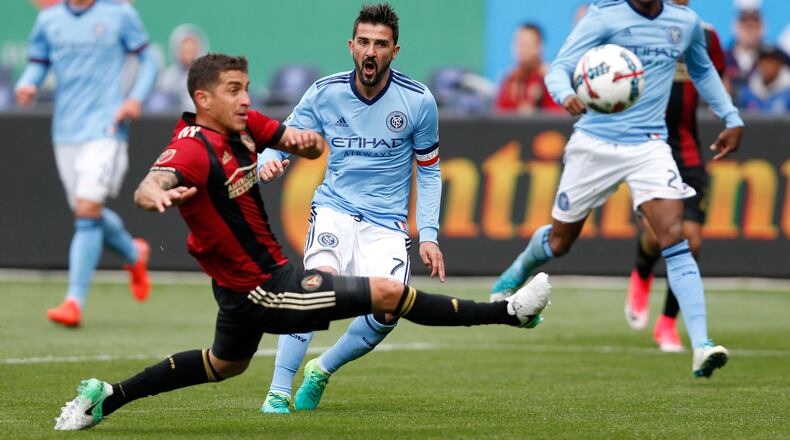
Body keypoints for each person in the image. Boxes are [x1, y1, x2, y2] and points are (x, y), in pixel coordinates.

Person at [52, 53, 552, 431]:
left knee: (223, 364)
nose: (245, 99)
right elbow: (153, 180)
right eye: (233, 90)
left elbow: (292, 136)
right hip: (263, 288)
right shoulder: (193, 149)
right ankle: (509, 313)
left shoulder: (244, 127)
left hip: (242, 286)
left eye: (247, 88)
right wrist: (154, 195)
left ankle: (107, 396)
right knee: (389, 294)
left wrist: (299, 146)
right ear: (203, 99)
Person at [490, 0, 744, 378]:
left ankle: (701, 345)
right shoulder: (603, 17)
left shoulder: (684, 22)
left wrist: (731, 117)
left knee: (675, 236)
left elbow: (703, 69)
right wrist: (565, 94)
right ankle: (518, 269)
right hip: (595, 144)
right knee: (560, 241)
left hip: (649, 145)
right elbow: (559, 68)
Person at [255, 3, 445, 414]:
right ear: (351, 46)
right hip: (334, 210)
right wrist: (267, 160)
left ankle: (322, 369)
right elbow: (281, 139)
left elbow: (429, 170)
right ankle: (277, 392)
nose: (370, 51)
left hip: (387, 224)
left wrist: (428, 234)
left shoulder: (418, 101)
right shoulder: (326, 93)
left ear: (394, 51)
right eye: (363, 42)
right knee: (315, 288)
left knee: (389, 309)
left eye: (380, 44)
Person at [14, 0, 159, 327]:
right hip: (65, 132)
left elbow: (148, 60)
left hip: (106, 127)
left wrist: (135, 99)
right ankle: (133, 253)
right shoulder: (50, 19)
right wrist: (27, 83)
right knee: (87, 215)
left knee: (86, 211)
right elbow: (38, 62)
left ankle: (73, 302)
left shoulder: (119, 14)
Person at [625, 0, 728, 353]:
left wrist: (725, 109)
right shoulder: (636, 28)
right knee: (657, 237)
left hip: (688, 152)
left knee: (691, 241)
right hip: (646, 149)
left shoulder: (706, 35)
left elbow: (719, 80)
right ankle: (641, 273)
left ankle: (667, 324)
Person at [494, 23, 562, 114]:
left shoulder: (550, 79)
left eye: (526, 44)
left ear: (539, 47)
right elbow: (499, 117)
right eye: (518, 43)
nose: (522, 49)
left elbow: (559, 116)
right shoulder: (509, 80)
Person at [150, 23, 209, 112]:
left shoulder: (207, 77)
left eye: (191, 49)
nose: (188, 51)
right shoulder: (168, 76)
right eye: (185, 48)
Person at [724, 6, 765, 104]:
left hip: (764, 112)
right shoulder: (722, 58)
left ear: (762, 27)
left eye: (755, 22)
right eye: (745, 22)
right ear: (735, 26)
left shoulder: (774, 59)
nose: (750, 28)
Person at [738, 44, 790, 113]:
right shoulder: (748, 92)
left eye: (771, 61)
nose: (767, 66)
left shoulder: (787, 91)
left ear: (780, 64)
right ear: (758, 64)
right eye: (763, 61)